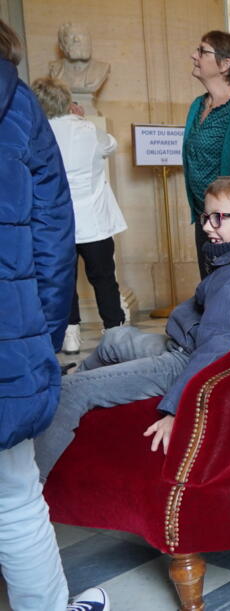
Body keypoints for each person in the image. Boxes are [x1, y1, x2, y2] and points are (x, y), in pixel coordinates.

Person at [33, 176, 230, 480]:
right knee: (115, 338)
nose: (207, 227)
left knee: (69, 392)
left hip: (184, 363)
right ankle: (77, 412)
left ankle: (28, 489)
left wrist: (178, 410)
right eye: (205, 216)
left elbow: (216, 349)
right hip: (183, 344)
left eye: (218, 218)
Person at [0, 18, 110, 611]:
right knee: (13, 497)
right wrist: (38, 336)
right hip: (5, 328)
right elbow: (49, 238)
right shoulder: (17, 106)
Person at [31, 76, 127, 354]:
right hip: (94, 220)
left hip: (57, 222)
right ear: (66, 101)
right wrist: (82, 119)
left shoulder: (39, 133)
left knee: (64, 280)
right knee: (104, 277)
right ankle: (114, 330)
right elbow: (111, 145)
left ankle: (70, 333)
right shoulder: (87, 129)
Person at [183, 30, 230, 278]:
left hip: (228, 218)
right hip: (204, 216)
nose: (194, 55)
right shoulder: (197, 105)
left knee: (226, 284)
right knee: (207, 283)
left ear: (225, 64)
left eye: (202, 51)